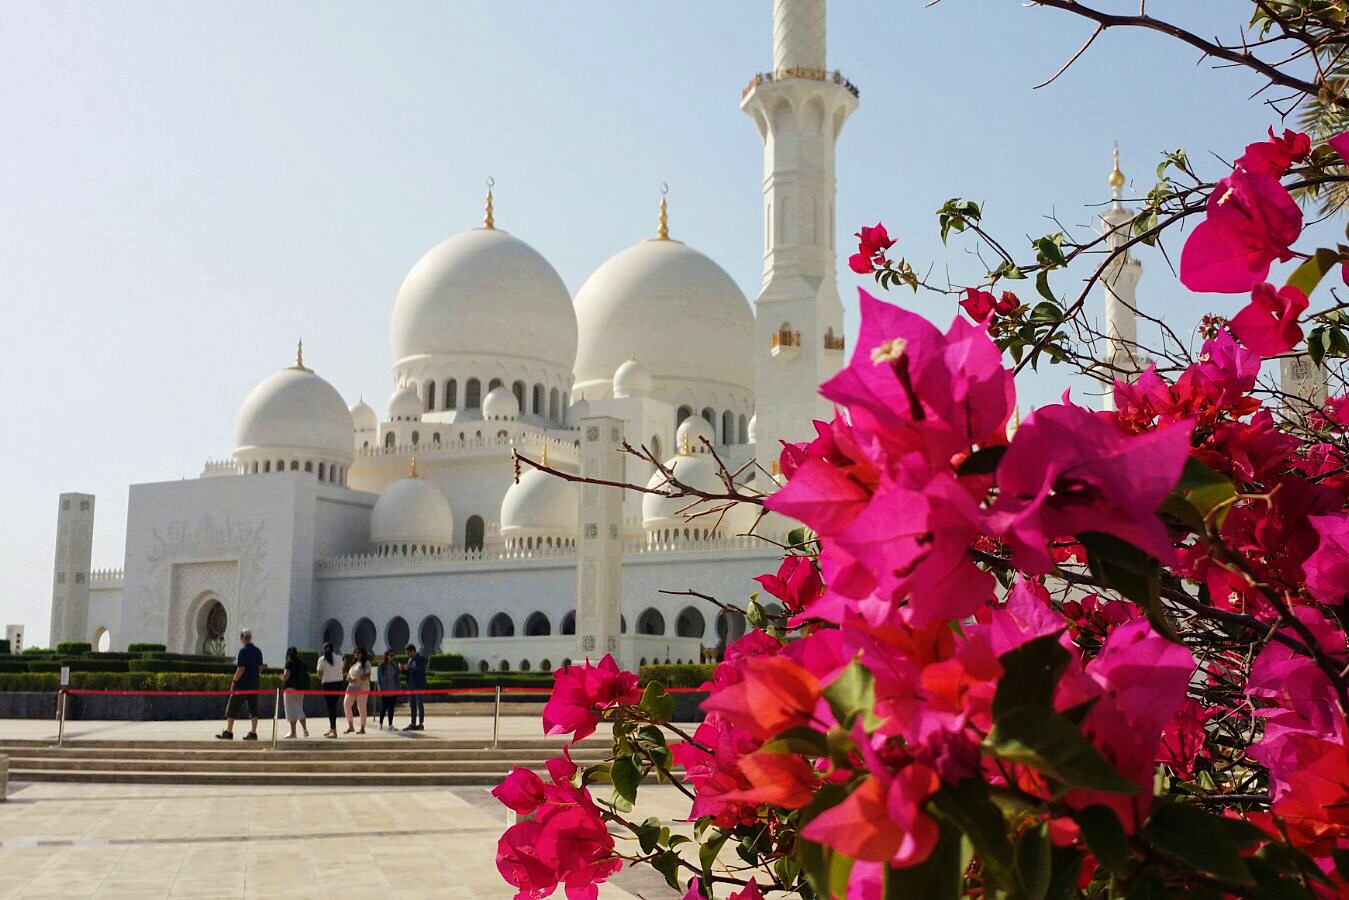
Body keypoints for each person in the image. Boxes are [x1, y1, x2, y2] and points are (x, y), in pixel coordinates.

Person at [217, 628, 263, 740]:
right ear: (250, 638)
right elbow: (260, 667)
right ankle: (253, 732)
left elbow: (241, 668)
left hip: (242, 685)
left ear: (242, 638)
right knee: (253, 709)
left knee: (232, 706)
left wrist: (234, 681)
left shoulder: (243, 651)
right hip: (254, 685)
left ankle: (228, 731)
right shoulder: (258, 651)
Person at [316, 641, 345, 739]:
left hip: (328, 685)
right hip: (338, 684)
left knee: (331, 708)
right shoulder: (339, 657)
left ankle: (334, 730)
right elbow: (342, 668)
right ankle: (332, 728)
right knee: (333, 707)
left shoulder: (321, 660)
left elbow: (319, 675)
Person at [281, 646, 310, 739]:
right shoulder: (301, 663)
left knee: (291, 711)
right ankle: (303, 729)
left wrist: (281, 678)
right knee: (299, 707)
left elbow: (286, 676)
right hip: (300, 689)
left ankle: (294, 732)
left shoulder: (289, 663)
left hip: (290, 689)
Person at [343, 646, 372, 734]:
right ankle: (351, 726)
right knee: (346, 704)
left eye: (359, 653)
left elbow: (366, 675)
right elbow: (348, 676)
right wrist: (349, 679)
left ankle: (362, 728)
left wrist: (355, 680)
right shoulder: (353, 665)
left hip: (363, 687)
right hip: (352, 687)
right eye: (356, 653)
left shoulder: (366, 663)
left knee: (361, 707)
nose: (357, 655)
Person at [402, 643, 427, 731]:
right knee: (412, 705)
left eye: (408, 653)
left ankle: (421, 723)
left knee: (419, 703)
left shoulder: (421, 659)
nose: (407, 655)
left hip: (418, 685)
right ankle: (413, 723)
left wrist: (409, 668)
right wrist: (404, 670)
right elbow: (409, 672)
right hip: (411, 685)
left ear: (413, 651)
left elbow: (420, 670)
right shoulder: (409, 660)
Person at [376, 649, 400, 729]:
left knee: (391, 709)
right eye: (391, 656)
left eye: (393, 656)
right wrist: (380, 689)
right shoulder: (381, 666)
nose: (392, 657)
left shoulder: (394, 665)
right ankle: (380, 723)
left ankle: (390, 724)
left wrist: (397, 688)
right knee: (383, 708)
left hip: (393, 690)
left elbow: (397, 677)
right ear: (386, 656)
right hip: (384, 690)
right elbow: (379, 679)